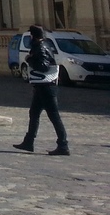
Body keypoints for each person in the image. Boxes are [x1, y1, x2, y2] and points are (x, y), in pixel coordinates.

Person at [14, 24, 70, 155]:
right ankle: (28, 142)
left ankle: (63, 145)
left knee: (54, 116)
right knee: (34, 113)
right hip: (41, 86)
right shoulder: (43, 45)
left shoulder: (41, 47)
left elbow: (43, 66)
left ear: (33, 36)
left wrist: (29, 59)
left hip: (46, 87)